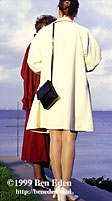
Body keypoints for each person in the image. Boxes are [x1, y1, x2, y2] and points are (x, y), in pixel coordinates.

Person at [26, 0, 101, 200]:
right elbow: (93, 61)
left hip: (52, 91)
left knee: (55, 140)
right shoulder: (83, 32)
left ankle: (58, 187)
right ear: (76, 12)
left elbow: (33, 62)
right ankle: (66, 188)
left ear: (58, 10)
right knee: (69, 140)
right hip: (74, 90)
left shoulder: (44, 33)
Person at [21, 14, 57, 190]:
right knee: (37, 138)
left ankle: (42, 177)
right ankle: (38, 178)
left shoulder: (44, 46)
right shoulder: (34, 47)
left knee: (46, 139)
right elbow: (27, 73)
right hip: (37, 98)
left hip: (45, 98)